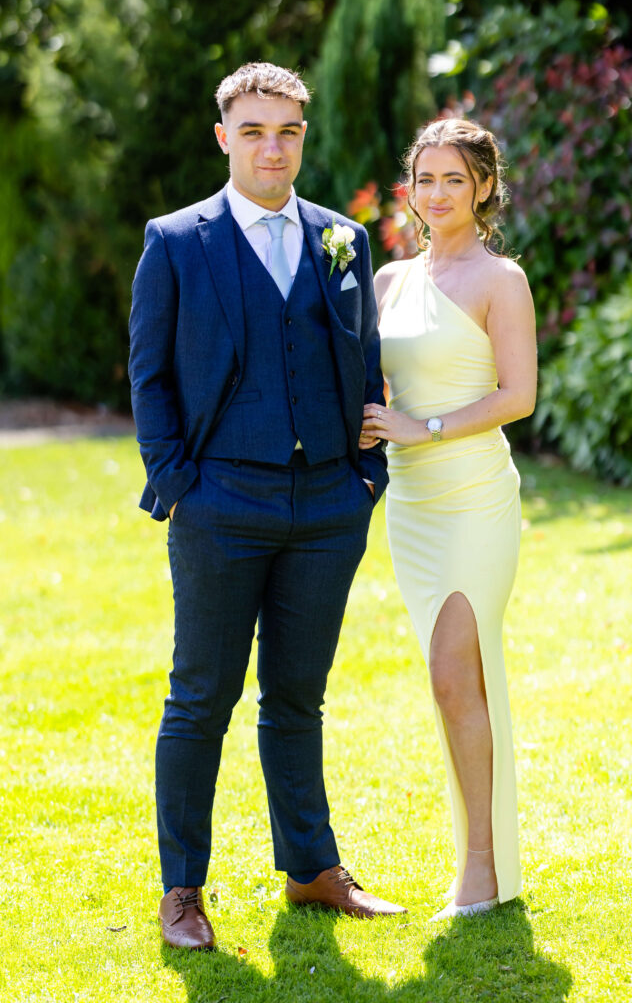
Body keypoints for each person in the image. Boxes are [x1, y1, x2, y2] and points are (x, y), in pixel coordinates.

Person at [128, 62, 406, 949]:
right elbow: (149, 372)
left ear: (301, 134)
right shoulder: (175, 241)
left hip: (329, 500)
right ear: (224, 137)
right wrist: (177, 482)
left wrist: (367, 477)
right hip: (220, 498)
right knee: (198, 699)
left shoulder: (342, 239)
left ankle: (311, 871)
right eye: (253, 130)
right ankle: (183, 891)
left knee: (298, 695)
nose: (271, 146)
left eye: (286, 130)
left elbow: (362, 360)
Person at [361, 118, 537, 919]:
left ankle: (481, 868)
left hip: (472, 497)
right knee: (449, 684)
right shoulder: (389, 281)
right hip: (412, 505)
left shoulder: (501, 280)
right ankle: (481, 858)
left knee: (452, 674)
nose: (436, 195)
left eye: (453, 181)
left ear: (484, 189)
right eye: (424, 179)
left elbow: (517, 397)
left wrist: (422, 428)